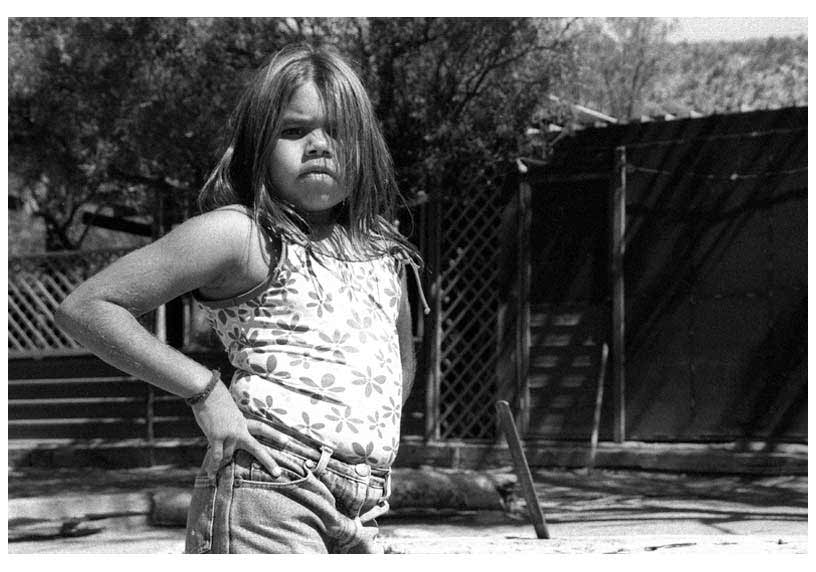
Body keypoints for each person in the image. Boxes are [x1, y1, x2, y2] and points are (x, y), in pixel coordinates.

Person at [55, 43, 427, 554]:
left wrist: (360, 440)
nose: (320, 145)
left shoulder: (382, 250)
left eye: (340, 131)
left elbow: (397, 362)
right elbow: (87, 308)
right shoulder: (244, 235)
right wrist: (205, 392)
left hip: (363, 506)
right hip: (271, 487)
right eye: (293, 130)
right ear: (258, 146)